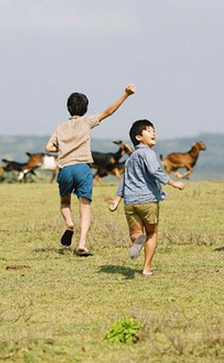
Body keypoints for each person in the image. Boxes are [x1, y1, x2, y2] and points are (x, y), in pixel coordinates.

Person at [46, 84, 136, 257]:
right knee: (85, 208)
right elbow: (109, 112)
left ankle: (70, 224)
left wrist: (64, 147)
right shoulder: (87, 122)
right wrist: (126, 94)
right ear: (86, 109)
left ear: (68, 108)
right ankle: (82, 244)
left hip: (65, 168)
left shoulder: (60, 127)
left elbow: (48, 146)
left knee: (65, 202)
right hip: (83, 168)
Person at [109, 119, 185, 276]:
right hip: (147, 200)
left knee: (135, 233)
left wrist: (117, 199)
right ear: (138, 137)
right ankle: (146, 269)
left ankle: (138, 239)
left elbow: (125, 179)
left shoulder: (130, 158)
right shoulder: (148, 153)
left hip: (130, 202)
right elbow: (155, 171)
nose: (154, 133)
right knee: (152, 233)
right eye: (149, 130)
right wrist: (172, 182)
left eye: (154, 130)